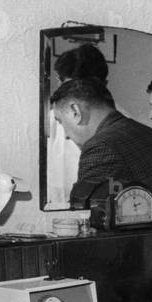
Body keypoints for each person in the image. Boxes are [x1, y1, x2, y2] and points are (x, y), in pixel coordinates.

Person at [50, 78, 152, 206]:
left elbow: (86, 215)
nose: (66, 136)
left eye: (60, 121)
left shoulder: (100, 146)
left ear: (76, 111)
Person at [47, 44, 112, 208]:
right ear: (59, 83)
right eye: (70, 89)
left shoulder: (123, 124)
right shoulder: (51, 121)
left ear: (104, 84)